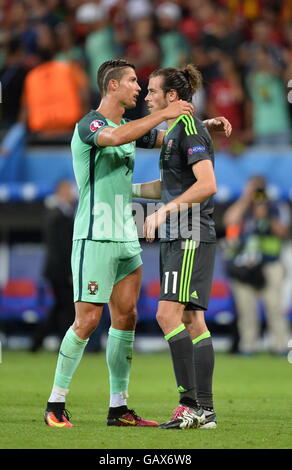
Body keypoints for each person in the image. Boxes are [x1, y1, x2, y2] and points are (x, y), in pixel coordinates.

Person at [44, 58, 195, 428]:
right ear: (112, 86)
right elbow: (115, 137)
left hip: (127, 235)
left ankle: (119, 408)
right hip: (95, 236)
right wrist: (164, 114)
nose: (139, 88)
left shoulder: (131, 127)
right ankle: (55, 403)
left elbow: (168, 141)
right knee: (87, 320)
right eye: (131, 81)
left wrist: (203, 129)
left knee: (126, 317)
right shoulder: (91, 124)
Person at [133, 65, 231, 429]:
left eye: (153, 91)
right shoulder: (181, 129)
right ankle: (204, 410)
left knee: (165, 316)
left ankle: (189, 405)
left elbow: (207, 184)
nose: (147, 97)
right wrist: (125, 192)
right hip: (182, 232)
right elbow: (171, 185)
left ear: (172, 97)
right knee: (192, 319)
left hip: (188, 232)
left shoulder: (188, 129)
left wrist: (162, 214)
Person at [223, 176, 290, 355]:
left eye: (259, 189)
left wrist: (266, 214)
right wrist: (245, 199)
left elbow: (283, 232)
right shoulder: (243, 207)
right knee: (246, 310)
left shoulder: (276, 207)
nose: (256, 193)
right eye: (253, 189)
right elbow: (229, 221)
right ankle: (248, 347)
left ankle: (281, 345)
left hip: (270, 264)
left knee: (275, 307)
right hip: (245, 265)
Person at [30, 180, 76, 352]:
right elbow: (62, 248)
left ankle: (37, 341)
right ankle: (64, 345)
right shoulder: (57, 215)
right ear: (62, 192)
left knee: (60, 306)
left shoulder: (60, 214)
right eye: (70, 190)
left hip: (56, 270)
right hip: (60, 271)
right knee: (66, 308)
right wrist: (69, 272)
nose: (73, 194)